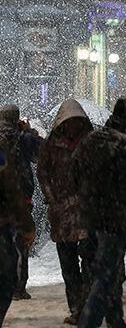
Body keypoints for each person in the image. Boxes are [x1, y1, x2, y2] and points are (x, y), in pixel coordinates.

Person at [73, 97, 126, 328]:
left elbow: (74, 175)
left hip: (90, 217)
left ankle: (116, 320)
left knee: (106, 273)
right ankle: (89, 323)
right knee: (106, 277)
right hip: (114, 220)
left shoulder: (90, 140)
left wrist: (87, 200)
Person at [37, 99, 94, 324]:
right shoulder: (51, 144)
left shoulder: (90, 141)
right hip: (62, 214)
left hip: (85, 212)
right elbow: (43, 173)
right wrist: (53, 199)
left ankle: (86, 305)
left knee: (88, 261)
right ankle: (76, 307)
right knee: (68, 264)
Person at [0, 105, 35, 325]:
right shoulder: (20, 139)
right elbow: (10, 185)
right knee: (9, 265)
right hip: (7, 212)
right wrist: (27, 224)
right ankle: (19, 286)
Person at [12, 111, 43, 300]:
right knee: (21, 242)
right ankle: (18, 286)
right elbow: (40, 152)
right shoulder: (23, 138)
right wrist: (29, 131)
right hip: (22, 197)